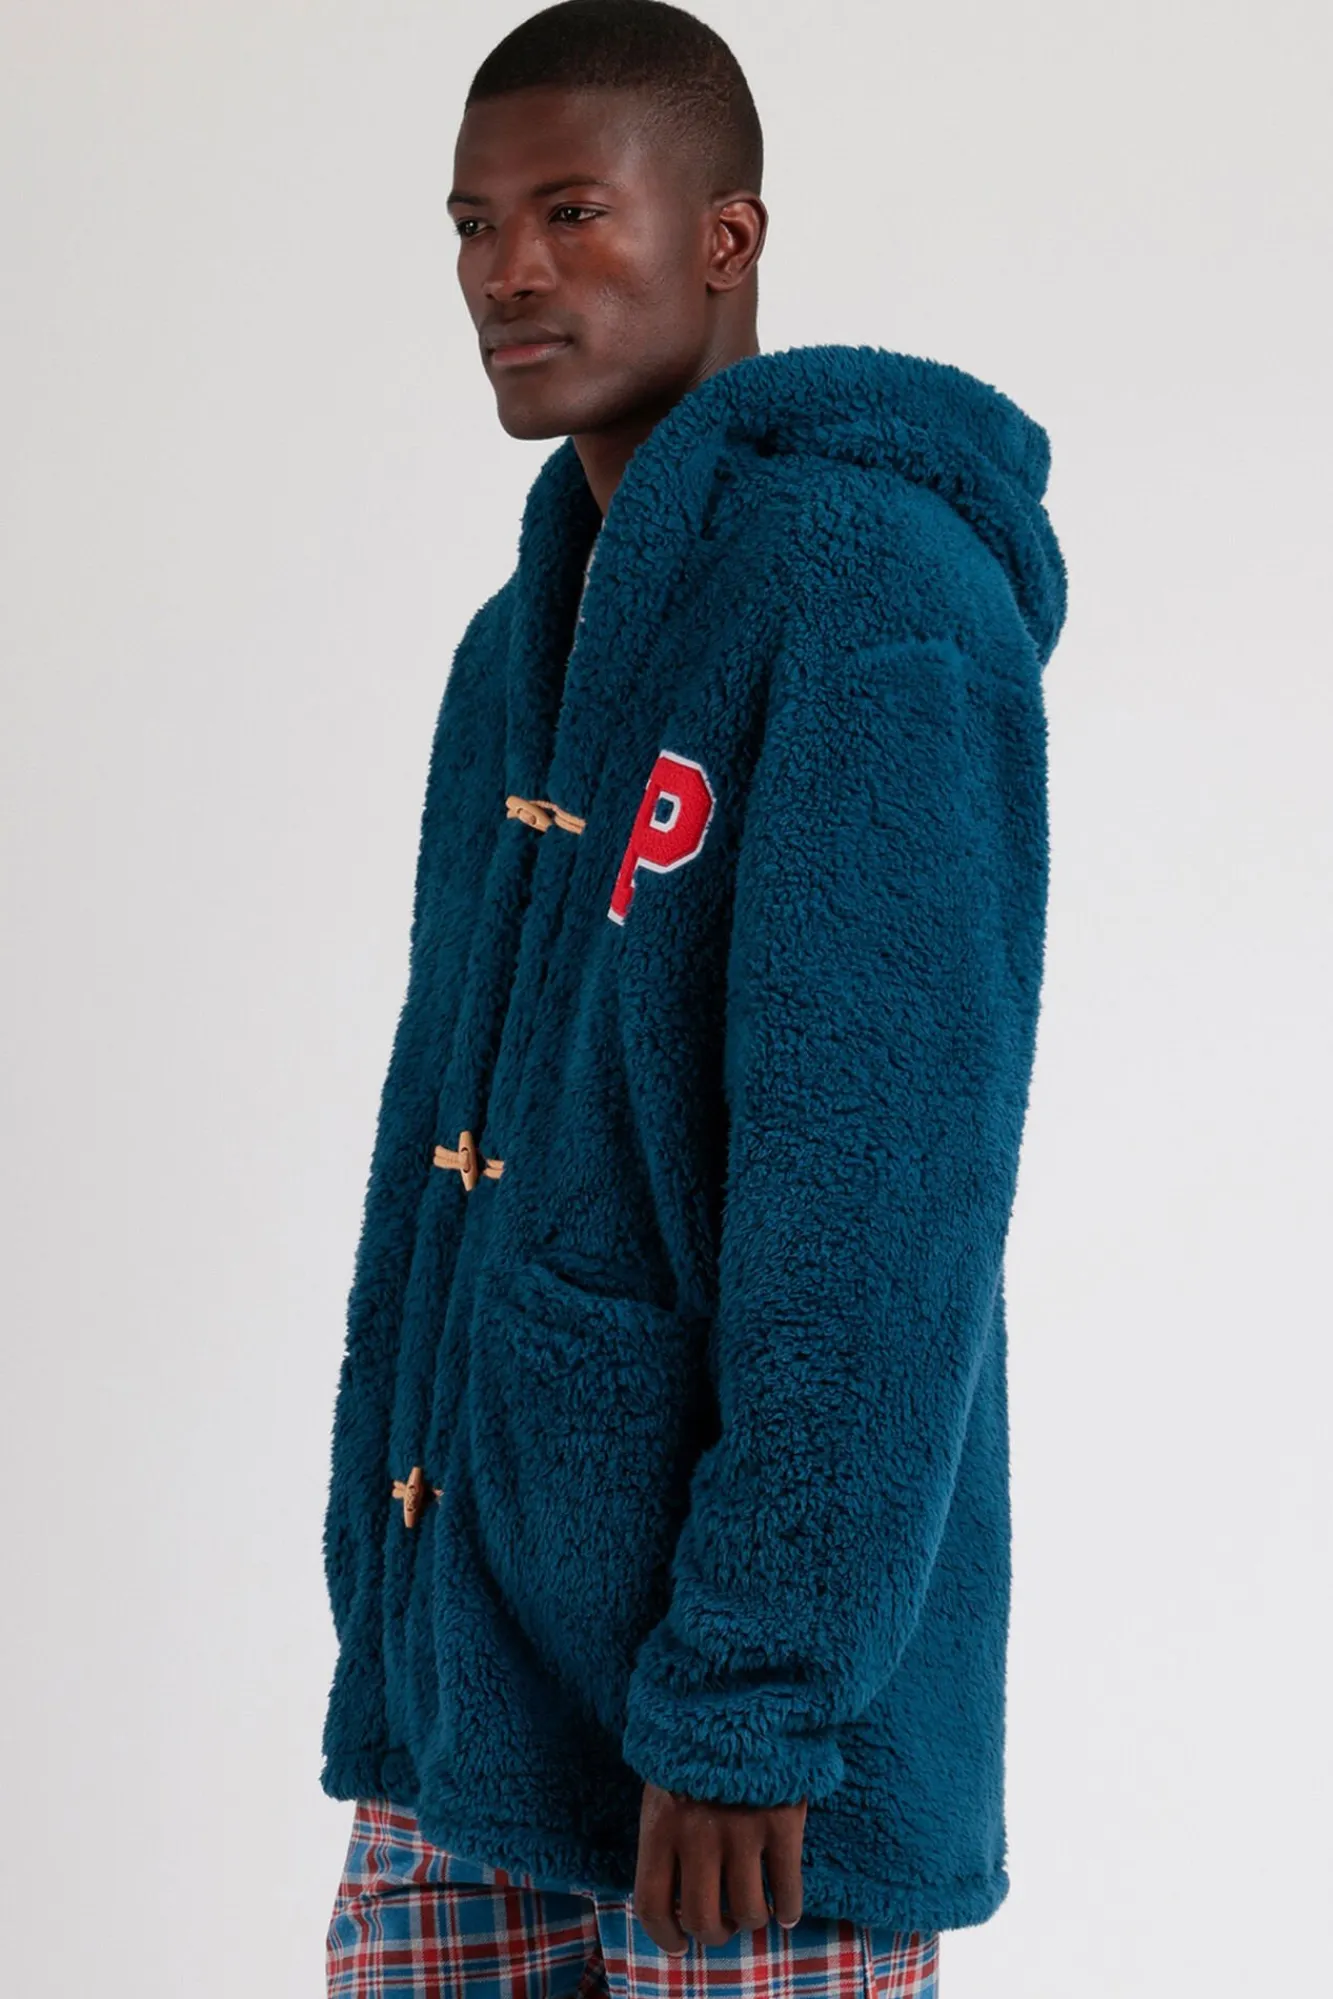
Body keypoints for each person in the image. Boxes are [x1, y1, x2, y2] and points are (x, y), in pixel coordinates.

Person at [319, 3, 1068, 1994]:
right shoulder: (513, 649)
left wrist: (758, 1693)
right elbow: (441, 1157)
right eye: (473, 224)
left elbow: (881, 1194)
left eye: (572, 210)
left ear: (727, 235)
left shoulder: (878, 597)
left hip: (748, 1771)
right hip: (468, 1713)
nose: (508, 270)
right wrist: (392, 1617)